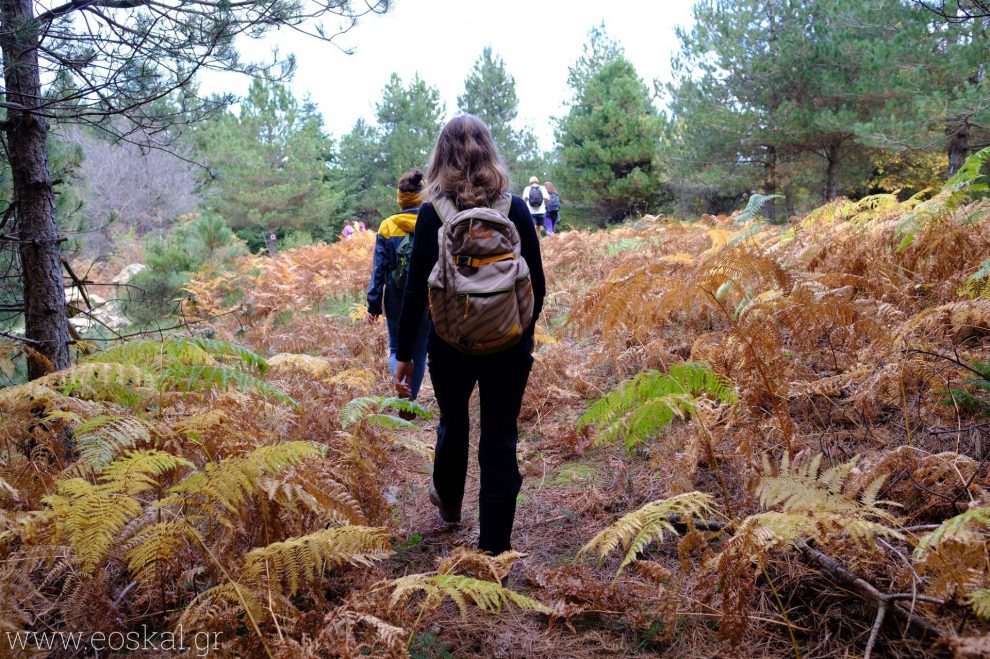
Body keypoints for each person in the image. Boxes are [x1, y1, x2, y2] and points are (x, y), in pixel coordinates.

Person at [394, 115, 546, 556]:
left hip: (450, 343)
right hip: (508, 345)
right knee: (500, 435)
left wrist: (404, 353)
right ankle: (495, 549)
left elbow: (416, 292)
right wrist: (522, 334)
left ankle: (449, 500)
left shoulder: (431, 214)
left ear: (440, 157)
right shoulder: (514, 209)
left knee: (453, 419)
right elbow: (536, 284)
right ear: (489, 153)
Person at [366, 170, 431, 401]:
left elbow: (379, 270)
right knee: (419, 352)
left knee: (396, 348)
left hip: (395, 298)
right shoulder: (431, 222)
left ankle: (401, 395)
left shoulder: (387, 226)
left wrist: (373, 304)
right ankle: (410, 402)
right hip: (426, 297)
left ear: (400, 198)